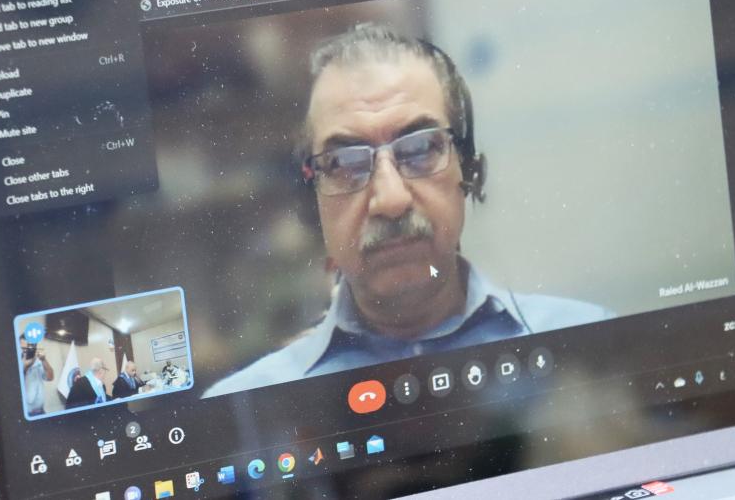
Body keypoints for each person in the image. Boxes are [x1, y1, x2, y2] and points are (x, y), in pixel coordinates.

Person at [203, 24, 612, 398]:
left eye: (421, 149)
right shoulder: (245, 407)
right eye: (343, 163)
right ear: (314, 203)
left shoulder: (589, 346)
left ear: (469, 171)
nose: (391, 200)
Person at [19, 334, 53, 417]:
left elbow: (50, 377)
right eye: (23, 348)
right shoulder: (16, 361)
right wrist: (25, 366)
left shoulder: (38, 360)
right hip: (26, 415)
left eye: (28, 348)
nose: (26, 351)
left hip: (41, 411)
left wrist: (44, 360)